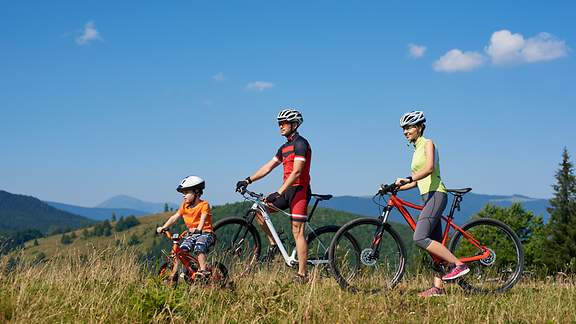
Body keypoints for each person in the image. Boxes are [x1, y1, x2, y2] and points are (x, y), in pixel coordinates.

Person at [394, 111, 469, 297]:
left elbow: (429, 169)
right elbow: (416, 181)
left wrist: (408, 177)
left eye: (409, 127)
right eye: (403, 128)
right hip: (426, 196)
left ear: (419, 127)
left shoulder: (428, 143)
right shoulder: (415, 150)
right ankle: (438, 288)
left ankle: (458, 264)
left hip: (436, 195)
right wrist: (395, 188)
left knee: (420, 237)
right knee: (435, 245)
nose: (405, 131)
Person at [236, 108, 312, 283]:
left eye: (284, 123)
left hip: (299, 191)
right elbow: (268, 167)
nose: (280, 126)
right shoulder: (284, 147)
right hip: (287, 191)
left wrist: (279, 191)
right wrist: (248, 180)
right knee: (260, 210)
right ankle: (274, 245)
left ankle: (302, 274)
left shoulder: (301, 143)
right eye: (279, 123)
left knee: (297, 231)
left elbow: (297, 171)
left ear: (294, 124)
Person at [157, 175, 214, 278]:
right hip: (192, 234)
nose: (184, 196)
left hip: (206, 233)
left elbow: (203, 218)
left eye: (187, 192)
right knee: (181, 250)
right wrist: (163, 227)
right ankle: (188, 270)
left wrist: (199, 229)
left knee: (199, 247)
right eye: (183, 193)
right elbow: (175, 217)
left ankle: (203, 271)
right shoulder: (184, 205)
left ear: (196, 192)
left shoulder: (204, 205)